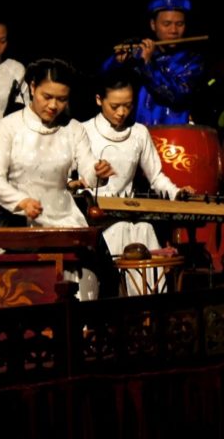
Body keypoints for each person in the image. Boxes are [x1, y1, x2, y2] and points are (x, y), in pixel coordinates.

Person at [0, 59, 114, 300]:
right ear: (32, 88)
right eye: (47, 96)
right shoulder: (9, 127)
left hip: (64, 219)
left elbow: (88, 172)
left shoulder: (73, 128)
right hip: (18, 220)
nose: (54, 105)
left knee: (89, 285)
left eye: (62, 99)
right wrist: (22, 201)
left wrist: (98, 173)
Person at [81, 71, 195, 295]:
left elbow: (156, 177)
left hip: (129, 215)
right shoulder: (83, 131)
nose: (122, 112)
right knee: (120, 231)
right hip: (96, 219)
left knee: (144, 229)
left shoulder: (138, 133)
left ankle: (149, 314)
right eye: (115, 106)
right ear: (98, 100)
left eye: (128, 105)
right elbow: (69, 179)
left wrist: (176, 192)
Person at [102, 0, 204, 125]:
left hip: (174, 134)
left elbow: (178, 95)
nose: (173, 30)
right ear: (153, 25)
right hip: (138, 132)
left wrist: (148, 65)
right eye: (166, 24)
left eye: (179, 24)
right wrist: (116, 62)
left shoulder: (192, 60)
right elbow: (103, 82)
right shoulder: (139, 54)